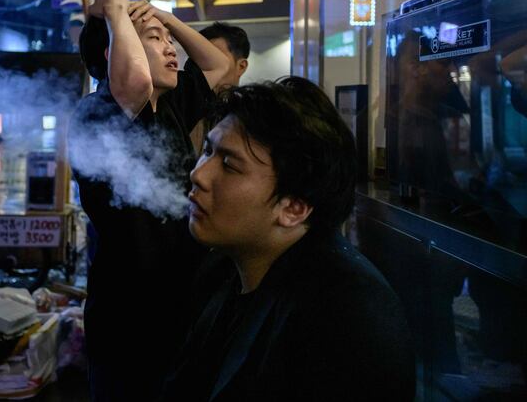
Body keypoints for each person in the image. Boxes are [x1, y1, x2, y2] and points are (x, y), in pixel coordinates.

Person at [159, 77, 416, 401]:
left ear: (294, 208)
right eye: (207, 150)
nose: (199, 174)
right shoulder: (224, 268)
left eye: (228, 164)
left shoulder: (345, 316)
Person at [69, 0, 230, 402]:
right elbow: (134, 79)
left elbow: (219, 63)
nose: (171, 48)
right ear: (114, 53)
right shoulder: (98, 110)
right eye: (155, 40)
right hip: (128, 312)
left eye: (168, 40)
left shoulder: (171, 106)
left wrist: (163, 17)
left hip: (180, 299)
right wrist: (116, 13)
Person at [190, 22, 250, 152]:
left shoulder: (250, 117)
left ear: (241, 66)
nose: (205, 65)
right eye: (200, 57)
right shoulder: (184, 109)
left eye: (215, 57)